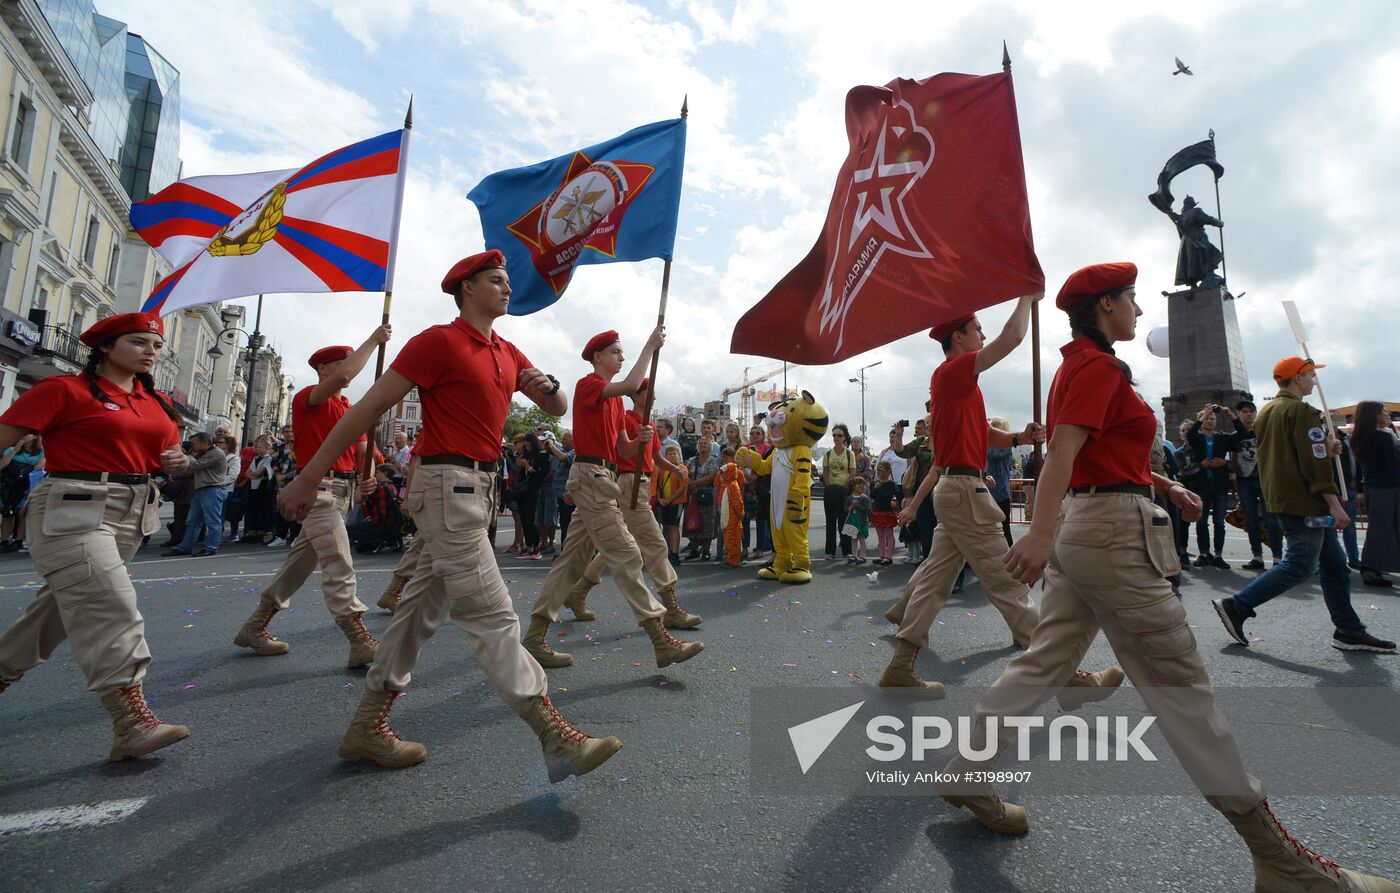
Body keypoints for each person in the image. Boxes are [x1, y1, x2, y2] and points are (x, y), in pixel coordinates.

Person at [935, 263, 1400, 893]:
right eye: (1130, 298)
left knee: (1043, 659)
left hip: (1092, 524)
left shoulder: (1083, 365)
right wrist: (1038, 533)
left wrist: (1162, 482)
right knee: (1183, 688)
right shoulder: (1096, 368)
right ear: (1105, 307)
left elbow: (1100, 456)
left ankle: (968, 765)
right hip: (1111, 535)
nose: (1137, 309)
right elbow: (1063, 456)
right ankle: (1282, 862)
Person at [276, 250, 620, 779]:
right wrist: (307, 475)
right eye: (496, 281)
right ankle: (556, 736)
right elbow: (369, 409)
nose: (508, 289)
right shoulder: (437, 342)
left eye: (507, 281)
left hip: (480, 489)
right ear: (467, 289)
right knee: (492, 612)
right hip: (445, 484)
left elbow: (556, 409)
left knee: (417, 614)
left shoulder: (507, 350)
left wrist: (541, 383)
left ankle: (368, 726)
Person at [879, 297, 1121, 699]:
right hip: (964, 492)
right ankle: (1068, 678)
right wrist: (1026, 297)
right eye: (977, 329)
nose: (984, 334)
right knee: (1010, 585)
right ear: (958, 337)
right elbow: (1011, 338)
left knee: (935, 579)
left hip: (957, 491)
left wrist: (1018, 439)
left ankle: (901, 665)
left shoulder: (957, 381)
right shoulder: (955, 372)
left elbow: (983, 432)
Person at [0, 312, 191, 760]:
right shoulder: (63, 389)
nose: (152, 352)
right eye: (140, 342)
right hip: (73, 506)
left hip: (133, 512)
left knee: (56, 615)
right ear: (105, 347)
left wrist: (176, 462)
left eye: (156, 345)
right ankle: (131, 722)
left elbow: (167, 454)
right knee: (111, 603)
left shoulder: (155, 401)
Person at [522, 327, 703, 672]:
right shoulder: (588, 385)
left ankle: (535, 634)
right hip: (591, 477)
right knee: (627, 553)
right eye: (616, 352)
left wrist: (641, 441)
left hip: (601, 478)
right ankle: (660, 638)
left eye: (623, 352)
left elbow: (621, 449)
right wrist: (650, 346)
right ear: (597, 357)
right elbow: (632, 385)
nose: (621, 357)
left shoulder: (618, 403)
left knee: (572, 560)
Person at [1213, 357, 1395, 654]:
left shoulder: (1270, 410)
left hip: (1283, 497)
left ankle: (1349, 630)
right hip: (1304, 501)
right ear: (1297, 378)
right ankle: (1238, 605)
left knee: (1335, 566)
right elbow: (1314, 464)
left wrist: (1328, 446)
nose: (1314, 380)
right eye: (1310, 375)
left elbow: (1295, 451)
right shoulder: (1301, 411)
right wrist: (1334, 504)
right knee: (1299, 565)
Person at [232, 328, 391, 668]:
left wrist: (365, 480)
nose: (349, 370)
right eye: (341, 363)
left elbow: (365, 449)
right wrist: (374, 341)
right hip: (317, 490)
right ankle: (358, 636)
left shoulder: (348, 405)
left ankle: (254, 627)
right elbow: (349, 374)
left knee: (298, 567)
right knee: (337, 560)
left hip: (341, 490)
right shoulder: (309, 398)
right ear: (323, 369)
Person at [558, 379, 701, 626]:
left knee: (618, 544)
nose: (654, 395)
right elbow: (621, 452)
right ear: (635, 395)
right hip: (628, 483)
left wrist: (675, 469)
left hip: (641, 484)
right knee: (655, 544)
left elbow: (656, 458)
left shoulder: (650, 427)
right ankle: (671, 609)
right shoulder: (625, 419)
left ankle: (578, 592)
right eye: (649, 391)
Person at [1185, 404, 1246, 569]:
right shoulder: (1196, 437)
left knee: (1219, 521)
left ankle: (1218, 554)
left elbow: (1241, 433)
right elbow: (1190, 433)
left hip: (1220, 484)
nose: (1209, 421)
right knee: (1202, 520)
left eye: (1212, 418)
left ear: (1216, 421)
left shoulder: (1223, 438)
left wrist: (1231, 414)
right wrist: (1204, 414)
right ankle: (1204, 553)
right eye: (1206, 418)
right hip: (1202, 484)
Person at [1232, 399, 1283, 570]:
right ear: (1239, 415)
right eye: (1244, 412)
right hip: (1244, 480)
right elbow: (1232, 459)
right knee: (1251, 519)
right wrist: (1234, 483)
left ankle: (1278, 557)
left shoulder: (1265, 432)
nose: (1248, 414)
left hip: (1264, 479)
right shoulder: (1235, 435)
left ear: (1256, 413)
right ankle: (1257, 557)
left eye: (1250, 411)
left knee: (1272, 519)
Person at [1352, 401, 1399, 587]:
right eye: (1383, 410)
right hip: (1389, 487)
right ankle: (1371, 567)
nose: (1387, 413)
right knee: (1383, 530)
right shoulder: (1384, 437)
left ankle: (1372, 567)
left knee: (1378, 529)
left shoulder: (1361, 436)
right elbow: (1393, 464)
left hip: (1374, 487)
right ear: (1374, 414)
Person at [163, 433, 227, 557]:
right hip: (201, 490)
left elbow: (197, 465)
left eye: (194, 443)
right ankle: (185, 547)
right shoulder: (201, 454)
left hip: (213, 490)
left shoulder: (216, 453)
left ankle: (211, 547)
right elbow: (190, 470)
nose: (192, 445)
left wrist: (185, 456)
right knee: (192, 520)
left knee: (213, 521)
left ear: (204, 443)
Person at [891, 416, 936, 559]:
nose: (928, 426)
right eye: (927, 423)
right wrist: (899, 434)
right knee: (927, 533)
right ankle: (930, 566)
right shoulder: (921, 442)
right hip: (923, 494)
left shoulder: (947, 443)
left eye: (931, 423)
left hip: (944, 493)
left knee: (946, 535)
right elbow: (901, 451)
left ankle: (956, 577)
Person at [0, 434, 44, 551]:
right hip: (9, 485)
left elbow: (38, 467)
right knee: (7, 513)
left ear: (35, 437)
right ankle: (4, 541)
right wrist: (15, 450)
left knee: (22, 512)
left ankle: (18, 540)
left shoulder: (41, 453)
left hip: (26, 485)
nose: (25, 436)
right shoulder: (11, 450)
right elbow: (2, 465)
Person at [348, 464, 403, 554]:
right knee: (360, 548)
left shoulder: (379, 488)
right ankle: (391, 540)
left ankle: (376, 543)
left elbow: (358, 499)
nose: (375, 475)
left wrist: (360, 484)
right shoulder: (392, 487)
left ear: (385, 473)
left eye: (377, 473)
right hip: (393, 524)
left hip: (381, 524)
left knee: (349, 529)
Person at [684, 433, 720, 560]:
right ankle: (694, 550)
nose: (703, 445)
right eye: (700, 443)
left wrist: (696, 483)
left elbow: (713, 475)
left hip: (708, 495)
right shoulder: (692, 460)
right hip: (693, 496)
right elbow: (685, 473)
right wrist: (691, 484)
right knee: (692, 520)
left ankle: (706, 550)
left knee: (707, 523)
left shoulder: (714, 460)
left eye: (705, 443)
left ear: (711, 446)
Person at [821, 423, 854, 560]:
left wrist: (844, 489)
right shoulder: (828, 454)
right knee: (830, 523)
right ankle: (830, 551)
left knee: (843, 523)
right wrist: (829, 488)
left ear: (845, 437)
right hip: (830, 492)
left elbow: (852, 473)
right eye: (834, 435)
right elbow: (825, 473)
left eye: (839, 435)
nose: (836, 437)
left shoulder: (849, 453)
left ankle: (846, 551)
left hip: (844, 493)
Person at [513, 433, 548, 560]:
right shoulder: (526, 455)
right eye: (525, 446)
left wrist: (527, 466)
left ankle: (536, 547)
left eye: (528, 446)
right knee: (524, 520)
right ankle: (528, 547)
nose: (527, 448)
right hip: (522, 491)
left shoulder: (542, 456)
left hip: (533, 490)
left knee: (530, 520)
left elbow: (540, 476)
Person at [984, 417, 1016, 546]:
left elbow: (990, 454)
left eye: (995, 428)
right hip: (990, 492)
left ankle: (1009, 557)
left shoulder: (1005, 446)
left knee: (1004, 529)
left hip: (1001, 493)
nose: (992, 430)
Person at [656, 443, 688, 565]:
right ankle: (668, 551)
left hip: (676, 502)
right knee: (667, 527)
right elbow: (658, 485)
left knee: (674, 527)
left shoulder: (682, 468)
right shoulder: (662, 469)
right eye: (670, 454)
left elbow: (682, 487)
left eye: (675, 454)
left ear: (679, 455)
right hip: (664, 502)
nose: (673, 456)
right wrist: (660, 498)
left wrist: (669, 499)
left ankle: (675, 553)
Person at [745, 425, 773, 558]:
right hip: (747, 486)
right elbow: (741, 465)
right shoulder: (746, 448)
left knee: (763, 518)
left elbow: (766, 467)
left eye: (757, 433)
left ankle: (762, 546)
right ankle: (746, 547)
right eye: (752, 433)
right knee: (747, 517)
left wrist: (754, 479)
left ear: (763, 435)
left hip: (762, 487)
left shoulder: (767, 449)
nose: (754, 435)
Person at [243, 434, 277, 543]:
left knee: (262, 509)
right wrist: (253, 475)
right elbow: (247, 474)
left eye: (260, 447)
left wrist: (254, 475)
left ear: (267, 447)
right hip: (253, 486)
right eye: (256, 447)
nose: (258, 449)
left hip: (263, 487)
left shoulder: (269, 459)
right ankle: (252, 532)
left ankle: (261, 531)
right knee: (252, 508)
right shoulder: (255, 458)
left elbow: (258, 473)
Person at [716, 445, 745, 568]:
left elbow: (738, 502)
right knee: (727, 536)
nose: (722, 475)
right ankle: (729, 557)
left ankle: (733, 560)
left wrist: (740, 515)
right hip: (725, 513)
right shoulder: (728, 483)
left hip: (733, 517)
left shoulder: (733, 485)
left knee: (733, 538)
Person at [544, 430, 575, 549]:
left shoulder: (574, 452)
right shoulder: (564, 451)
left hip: (569, 496)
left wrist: (552, 445)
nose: (561, 442)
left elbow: (563, 458)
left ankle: (566, 551)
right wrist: (547, 445)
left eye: (564, 439)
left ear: (573, 441)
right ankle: (564, 549)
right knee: (564, 523)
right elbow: (550, 451)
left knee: (568, 524)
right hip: (561, 496)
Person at [870, 460, 901, 565]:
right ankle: (882, 555)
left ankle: (889, 557)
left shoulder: (891, 484)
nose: (880, 473)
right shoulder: (877, 483)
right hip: (877, 511)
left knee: (889, 535)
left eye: (882, 471)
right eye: (878, 470)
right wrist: (876, 488)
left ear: (888, 472)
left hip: (887, 512)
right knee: (880, 535)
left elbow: (891, 497)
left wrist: (879, 489)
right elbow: (872, 496)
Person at [844, 475, 871, 564]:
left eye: (863, 484)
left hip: (861, 521)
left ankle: (862, 556)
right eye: (859, 484)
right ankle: (854, 555)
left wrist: (857, 505)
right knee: (853, 538)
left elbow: (865, 509)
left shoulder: (864, 498)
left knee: (861, 538)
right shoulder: (850, 498)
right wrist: (851, 507)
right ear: (853, 486)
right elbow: (845, 509)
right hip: (852, 521)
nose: (861, 486)